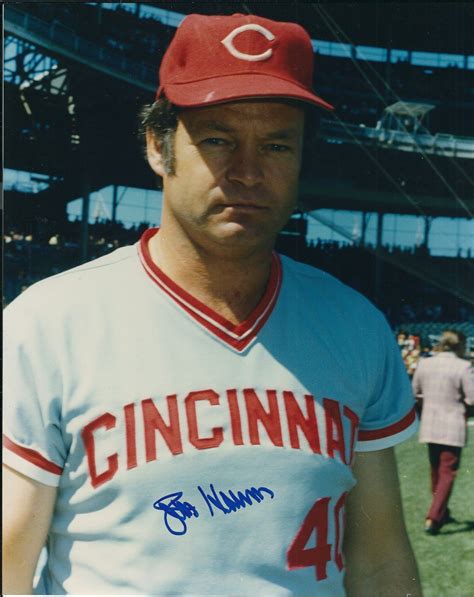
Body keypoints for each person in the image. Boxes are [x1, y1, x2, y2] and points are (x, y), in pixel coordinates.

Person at [3, 12, 422, 596]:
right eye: (218, 139)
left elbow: (378, 562)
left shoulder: (356, 326)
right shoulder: (45, 323)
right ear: (157, 146)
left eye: (276, 144)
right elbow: (7, 566)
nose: (247, 172)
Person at [412, 329, 474, 535]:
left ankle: (442, 512)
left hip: (430, 423)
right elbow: (472, 398)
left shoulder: (425, 363)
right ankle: (433, 517)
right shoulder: (464, 367)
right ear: (460, 346)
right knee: (448, 471)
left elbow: (415, 392)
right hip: (452, 424)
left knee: (436, 471)